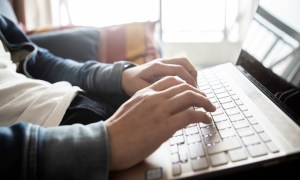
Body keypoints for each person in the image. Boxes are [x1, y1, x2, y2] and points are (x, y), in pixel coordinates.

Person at [0, 14, 215, 180]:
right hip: (65, 147)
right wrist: (104, 144)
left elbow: (42, 63)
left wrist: (121, 76)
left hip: (84, 108)